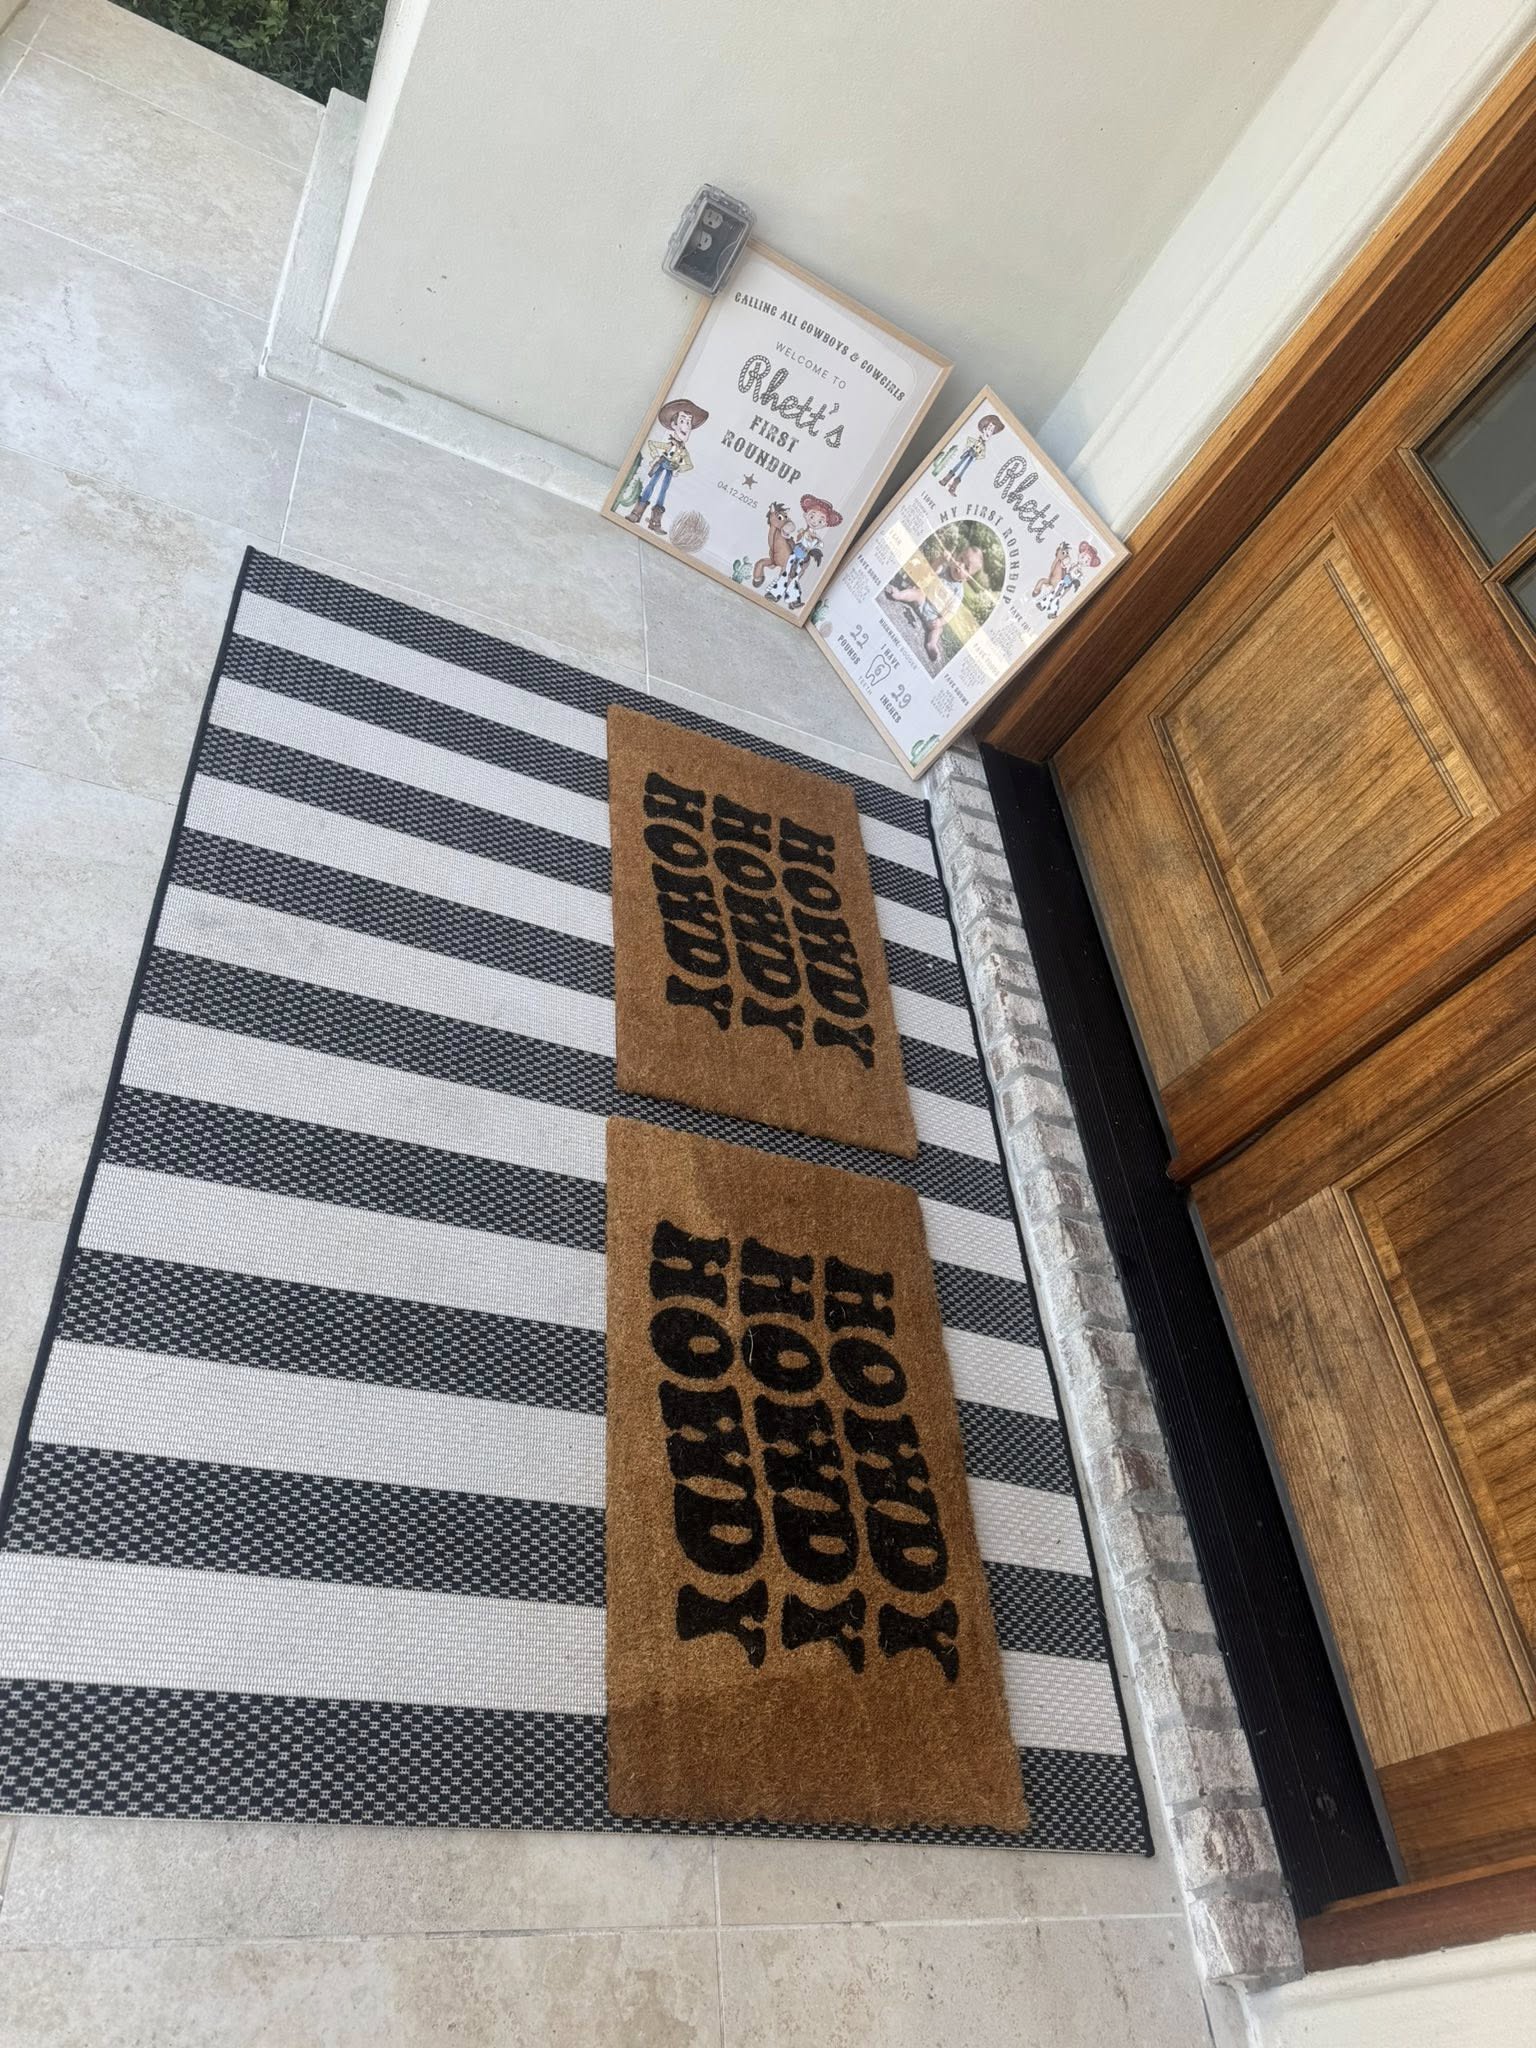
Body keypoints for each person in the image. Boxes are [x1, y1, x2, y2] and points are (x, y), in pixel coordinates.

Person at [884, 541, 986, 666]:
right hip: (923, 600)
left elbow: (950, 612)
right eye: (961, 559)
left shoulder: (958, 592)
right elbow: (932, 570)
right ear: (957, 555)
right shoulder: (945, 568)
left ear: (967, 578)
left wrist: (940, 621)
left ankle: (931, 644)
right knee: (917, 592)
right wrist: (941, 559)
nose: (960, 565)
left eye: (966, 567)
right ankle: (899, 595)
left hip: (933, 617)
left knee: (938, 629)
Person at [626, 397, 708, 535]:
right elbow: (652, 444)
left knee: (663, 492)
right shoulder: (668, 444)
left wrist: (678, 469)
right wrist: (655, 456)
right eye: (682, 421)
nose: (686, 426)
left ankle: (655, 522)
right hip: (661, 465)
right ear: (673, 424)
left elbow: (689, 465)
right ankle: (636, 513)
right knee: (650, 486)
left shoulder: (683, 451)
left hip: (670, 470)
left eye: (689, 422)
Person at [766, 493, 842, 610]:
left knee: (794, 577)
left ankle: (789, 599)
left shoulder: (815, 537)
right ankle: (776, 594)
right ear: (806, 515)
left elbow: (817, 544)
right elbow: (800, 539)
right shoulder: (804, 532)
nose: (815, 522)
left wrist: (813, 541)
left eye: (820, 521)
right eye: (812, 517)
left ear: (825, 524)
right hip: (794, 555)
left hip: (802, 558)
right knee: (786, 574)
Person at [937, 413, 1004, 496]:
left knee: (964, 469)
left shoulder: (983, 445)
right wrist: (968, 449)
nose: (989, 432)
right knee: (959, 464)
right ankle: (946, 479)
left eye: (992, 430)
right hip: (969, 453)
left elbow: (981, 454)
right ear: (983, 429)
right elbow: (969, 445)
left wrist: (977, 456)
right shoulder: (975, 439)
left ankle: (953, 486)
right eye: (989, 428)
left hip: (972, 457)